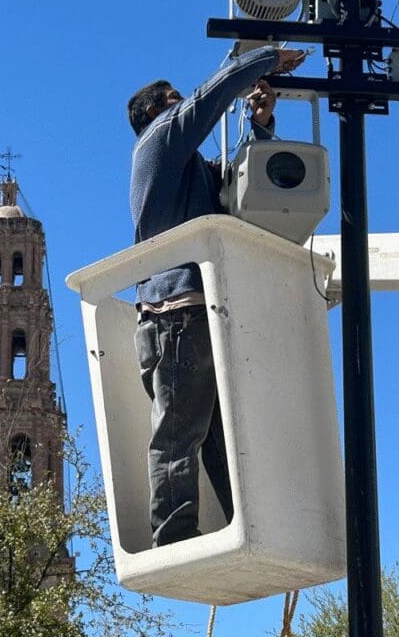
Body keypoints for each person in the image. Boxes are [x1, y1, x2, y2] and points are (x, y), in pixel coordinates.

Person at [127, 46, 306, 547]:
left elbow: (242, 188)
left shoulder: (193, 177)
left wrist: (262, 127)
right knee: (182, 431)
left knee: (217, 437)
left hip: (198, 316)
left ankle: (244, 528)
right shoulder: (156, 145)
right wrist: (264, 58)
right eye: (174, 100)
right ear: (155, 113)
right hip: (176, 315)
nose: (184, 106)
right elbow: (207, 99)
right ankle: (174, 537)